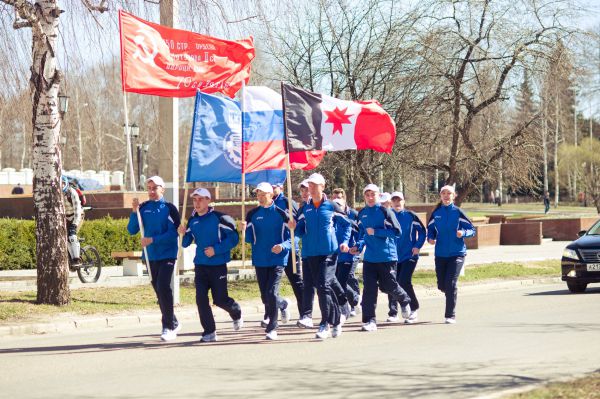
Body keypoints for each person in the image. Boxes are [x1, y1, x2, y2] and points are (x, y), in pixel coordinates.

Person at [289, 173, 352, 339]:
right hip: (310, 253)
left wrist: (344, 242)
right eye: (310, 184)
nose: (311, 187)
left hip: (328, 252)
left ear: (322, 187)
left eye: (315, 185)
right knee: (320, 287)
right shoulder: (305, 208)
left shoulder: (331, 206)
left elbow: (347, 225)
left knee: (323, 286)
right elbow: (301, 230)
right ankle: (337, 319)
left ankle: (325, 324)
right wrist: (295, 226)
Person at [179, 187, 243, 342]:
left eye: (201, 199)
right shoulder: (192, 220)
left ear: (208, 200)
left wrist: (216, 250)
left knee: (220, 299)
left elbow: (234, 238)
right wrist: (182, 233)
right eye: (195, 199)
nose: (197, 202)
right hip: (200, 265)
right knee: (201, 299)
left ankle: (236, 312)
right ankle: (209, 331)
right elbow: (186, 243)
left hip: (217, 264)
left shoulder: (220, 218)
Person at [347, 184, 411, 332]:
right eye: (367, 195)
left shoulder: (385, 211)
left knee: (388, 286)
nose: (370, 197)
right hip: (369, 258)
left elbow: (397, 232)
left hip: (387, 256)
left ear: (378, 196)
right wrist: (358, 247)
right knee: (369, 290)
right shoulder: (362, 213)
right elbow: (363, 235)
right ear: (364, 197)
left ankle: (404, 300)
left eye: (373, 194)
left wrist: (376, 231)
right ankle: (370, 320)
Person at [127, 176, 181, 341]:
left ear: (162, 189)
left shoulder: (170, 208)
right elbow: (132, 230)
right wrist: (134, 212)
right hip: (150, 256)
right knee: (158, 290)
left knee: (163, 286)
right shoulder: (143, 208)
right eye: (148, 188)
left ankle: (168, 328)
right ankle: (173, 320)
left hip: (168, 254)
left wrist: (153, 239)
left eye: (154, 188)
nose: (151, 191)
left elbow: (174, 232)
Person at [244, 182, 293, 340]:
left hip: (277, 259)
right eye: (257, 194)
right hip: (260, 259)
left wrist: (283, 246)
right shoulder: (252, 214)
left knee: (271, 292)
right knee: (265, 297)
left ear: (271, 195)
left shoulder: (282, 213)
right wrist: (245, 230)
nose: (259, 197)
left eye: (263, 194)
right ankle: (283, 304)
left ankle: (272, 327)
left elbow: (292, 238)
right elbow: (250, 240)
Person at [426, 185, 475, 324]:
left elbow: (472, 230)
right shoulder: (436, 213)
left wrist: (463, 233)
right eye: (444, 193)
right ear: (441, 196)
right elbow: (430, 229)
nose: (446, 196)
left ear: (454, 196)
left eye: (449, 194)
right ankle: (448, 291)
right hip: (440, 253)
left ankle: (450, 315)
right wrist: (430, 238)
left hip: (457, 253)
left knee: (451, 283)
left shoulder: (458, 212)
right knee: (442, 285)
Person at [387, 192, 426, 323]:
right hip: (392, 256)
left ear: (404, 202)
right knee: (394, 284)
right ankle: (401, 309)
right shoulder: (387, 216)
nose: (397, 203)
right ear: (391, 202)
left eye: (399, 200)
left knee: (404, 281)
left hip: (409, 255)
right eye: (394, 200)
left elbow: (422, 231)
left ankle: (414, 308)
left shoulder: (410, 216)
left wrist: (417, 245)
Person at [272, 182, 304, 323]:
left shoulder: (288, 203)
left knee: (297, 283)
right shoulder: (263, 204)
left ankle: (305, 314)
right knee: (270, 287)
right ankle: (281, 305)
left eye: (274, 186)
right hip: (274, 250)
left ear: (281, 187)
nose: (272, 189)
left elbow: (298, 228)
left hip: (290, 250)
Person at [331, 188, 361, 317]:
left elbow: (361, 231)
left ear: (344, 200)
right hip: (336, 254)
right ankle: (353, 299)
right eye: (335, 199)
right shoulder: (331, 214)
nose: (337, 205)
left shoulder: (353, 214)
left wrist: (357, 246)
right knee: (337, 281)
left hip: (350, 253)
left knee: (347, 278)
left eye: (340, 199)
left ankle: (353, 301)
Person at [62, 176, 83, 267]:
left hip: (77, 216)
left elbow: (77, 210)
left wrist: (74, 224)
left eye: (63, 183)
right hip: (66, 219)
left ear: (66, 183)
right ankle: (70, 260)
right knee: (64, 238)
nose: (61, 185)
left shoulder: (72, 192)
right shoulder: (58, 194)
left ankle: (77, 259)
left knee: (72, 236)